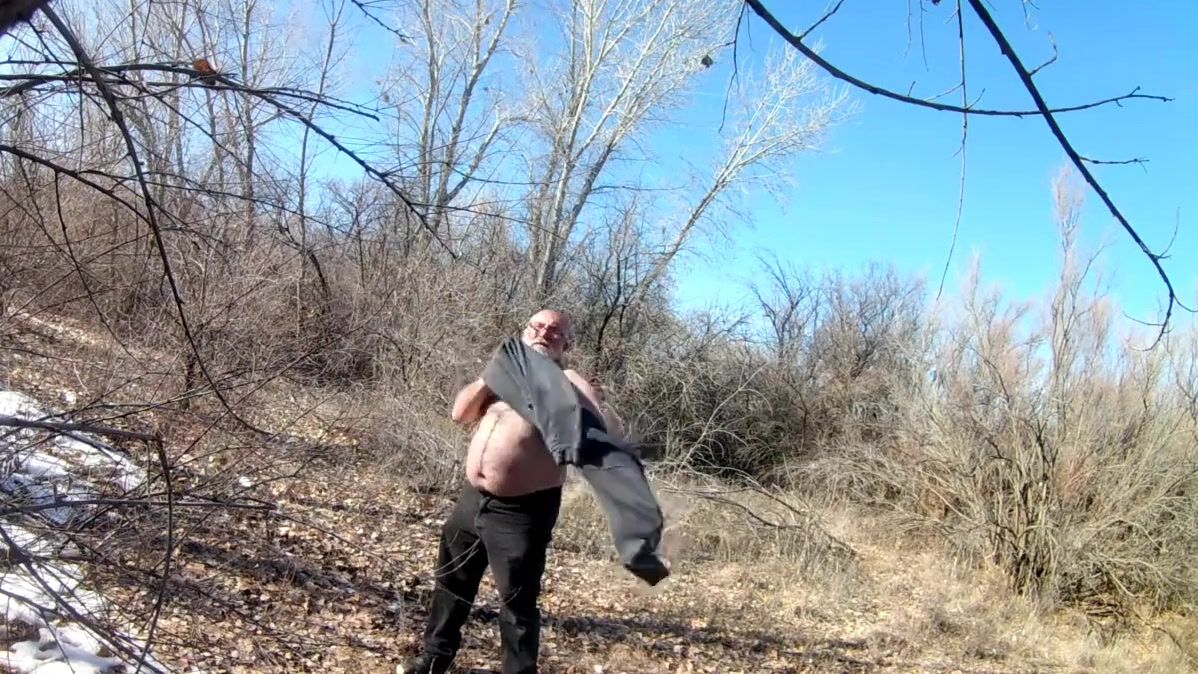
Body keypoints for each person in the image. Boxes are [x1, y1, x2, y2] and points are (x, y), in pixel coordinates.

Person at [402, 309, 615, 674]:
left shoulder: (566, 380)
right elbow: (460, 414)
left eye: (555, 331)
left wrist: (581, 394)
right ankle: (435, 659)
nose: (544, 333)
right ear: (524, 332)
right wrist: (491, 375)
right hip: (473, 500)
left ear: (566, 344)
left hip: (522, 510)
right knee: (452, 581)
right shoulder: (503, 376)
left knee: (517, 602)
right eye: (538, 326)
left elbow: (603, 430)